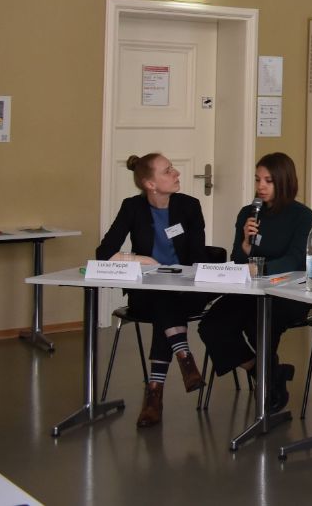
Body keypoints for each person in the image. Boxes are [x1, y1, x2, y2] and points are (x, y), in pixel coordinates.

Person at [96, 153, 210, 427]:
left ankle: (155, 394)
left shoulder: (189, 206)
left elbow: (198, 257)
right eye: (168, 171)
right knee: (162, 300)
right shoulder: (132, 207)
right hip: (146, 296)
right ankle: (183, 357)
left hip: (186, 292)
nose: (176, 173)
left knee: (166, 304)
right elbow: (104, 252)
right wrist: (141, 260)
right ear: (150, 184)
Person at [198, 152, 312, 413]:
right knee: (211, 326)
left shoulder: (302, 215)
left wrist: (260, 269)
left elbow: (296, 259)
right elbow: (237, 259)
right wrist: (245, 243)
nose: (260, 186)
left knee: (258, 323)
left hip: (287, 291)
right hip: (251, 289)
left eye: (268, 181)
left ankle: (268, 384)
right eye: (257, 179)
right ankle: (265, 373)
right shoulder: (248, 213)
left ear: (284, 181)